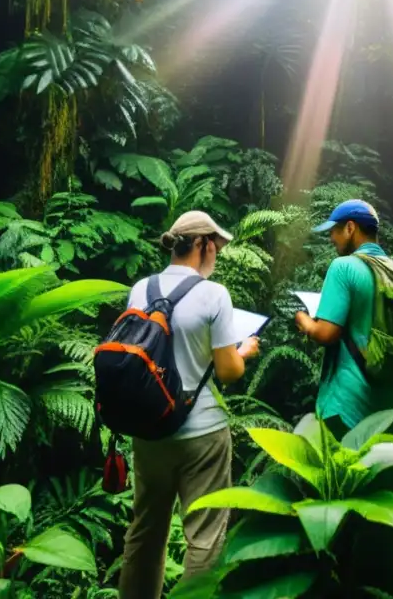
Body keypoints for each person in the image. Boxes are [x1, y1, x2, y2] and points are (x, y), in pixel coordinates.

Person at [118, 211, 260, 599]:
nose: (215, 253)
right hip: (202, 434)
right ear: (200, 244)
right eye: (214, 245)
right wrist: (243, 350)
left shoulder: (140, 289)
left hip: (149, 430)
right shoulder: (214, 295)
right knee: (205, 535)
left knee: (145, 530)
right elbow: (229, 371)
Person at [294, 199, 393, 439]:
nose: (331, 238)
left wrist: (304, 321)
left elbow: (327, 334)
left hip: (351, 403)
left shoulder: (344, 267)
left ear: (350, 228)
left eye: (334, 231)